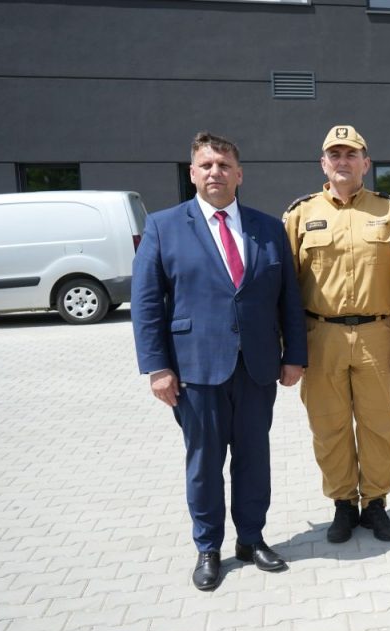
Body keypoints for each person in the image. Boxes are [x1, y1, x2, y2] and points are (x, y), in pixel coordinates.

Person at [131, 131, 307, 591]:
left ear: (239, 174)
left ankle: (251, 539)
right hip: (195, 370)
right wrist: (157, 367)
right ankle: (208, 547)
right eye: (206, 165)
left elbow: (289, 298)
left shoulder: (268, 228)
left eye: (224, 165)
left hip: (257, 367)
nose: (216, 172)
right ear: (192, 173)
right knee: (205, 463)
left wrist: (294, 356)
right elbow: (146, 304)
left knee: (254, 458)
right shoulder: (164, 227)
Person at [283, 125, 390, 544]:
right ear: (323, 163)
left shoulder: (387, 211)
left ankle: (375, 503)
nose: (342, 161)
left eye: (351, 154)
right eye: (335, 154)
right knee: (330, 427)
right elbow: (284, 286)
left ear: (366, 163)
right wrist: (288, 348)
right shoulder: (301, 214)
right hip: (319, 337)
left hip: (376, 335)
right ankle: (343, 503)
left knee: (379, 425)